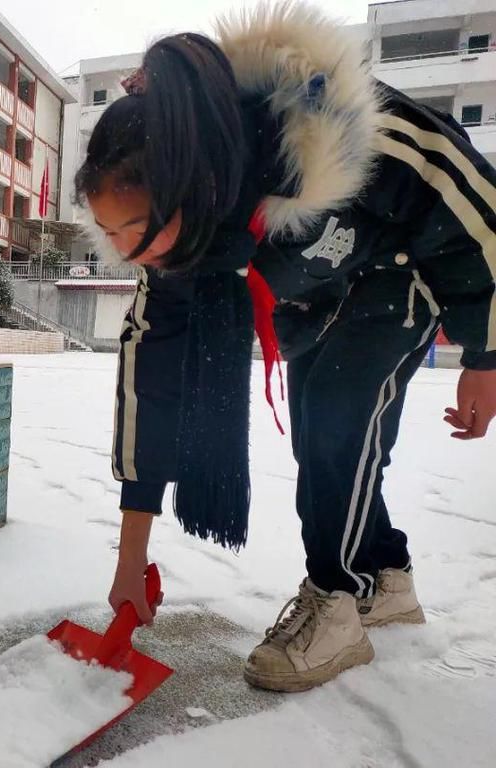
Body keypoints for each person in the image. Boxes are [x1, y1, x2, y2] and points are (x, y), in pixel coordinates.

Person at [78, 3, 496, 693]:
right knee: (321, 443)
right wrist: (131, 557)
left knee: (338, 421)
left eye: (138, 229)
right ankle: (385, 576)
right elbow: (149, 388)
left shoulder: (327, 132)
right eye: (109, 233)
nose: (131, 254)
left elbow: (468, 203)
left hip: (399, 277)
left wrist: (483, 356)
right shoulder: (182, 253)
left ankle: (336, 598)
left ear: (195, 185)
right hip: (316, 301)